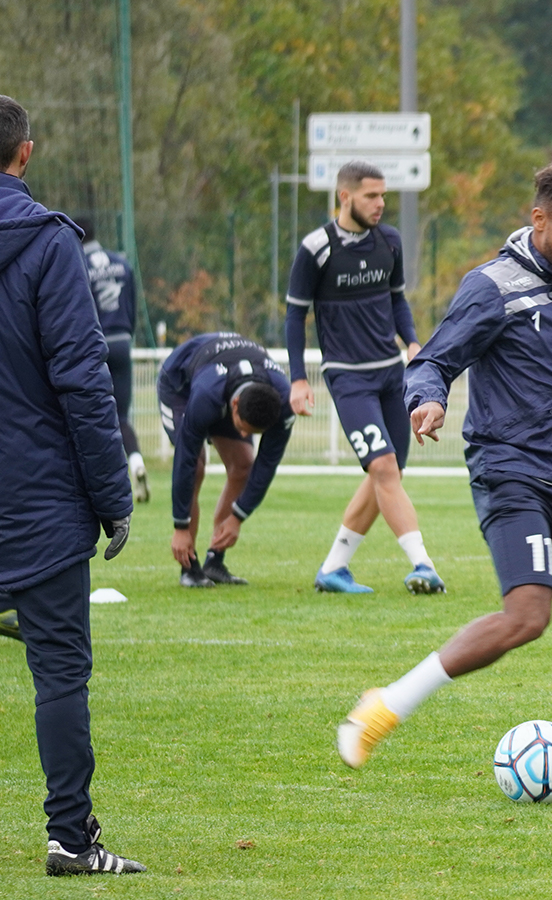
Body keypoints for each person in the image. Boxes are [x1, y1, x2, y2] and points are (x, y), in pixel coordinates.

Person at [337, 159, 552, 800]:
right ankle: (386, 703)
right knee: (527, 615)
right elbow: (436, 361)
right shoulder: (492, 287)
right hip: (512, 472)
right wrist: (429, 400)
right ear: (539, 220)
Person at [0, 95, 144, 876]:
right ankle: (71, 841)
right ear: (26, 154)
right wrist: (111, 497)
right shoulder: (49, 243)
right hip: (37, 495)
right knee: (59, 671)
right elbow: (83, 381)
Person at [286, 160, 444, 596]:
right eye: (371, 196)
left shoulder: (388, 242)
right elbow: (294, 316)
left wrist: (412, 343)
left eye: (383, 196)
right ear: (344, 196)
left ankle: (334, 568)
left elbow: (397, 302)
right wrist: (298, 379)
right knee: (383, 466)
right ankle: (423, 565)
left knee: (386, 474)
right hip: (348, 379)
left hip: (391, 375)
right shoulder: (315, 249)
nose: (380, 204)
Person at [159, 332, 295, 587]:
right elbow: (184, 460)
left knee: (243, 463)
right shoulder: (205, 398)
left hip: (230, 379)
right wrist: (180, 526)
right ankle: (188, 566)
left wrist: (238, 517)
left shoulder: (284, 403)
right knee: (197, 466)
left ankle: (214, 561)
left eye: (252, 433)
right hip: (181, 384)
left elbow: (266, 464)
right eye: (242, 427)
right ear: (234, 405)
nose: (243, 435)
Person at [77, 217, 149, 503]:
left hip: (96, 343)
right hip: (122, 341)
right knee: (121, 415)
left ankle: (101, 478)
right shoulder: (120, 262)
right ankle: (136, 461)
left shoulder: (79, 265)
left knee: (91, 413)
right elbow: (131, 306)